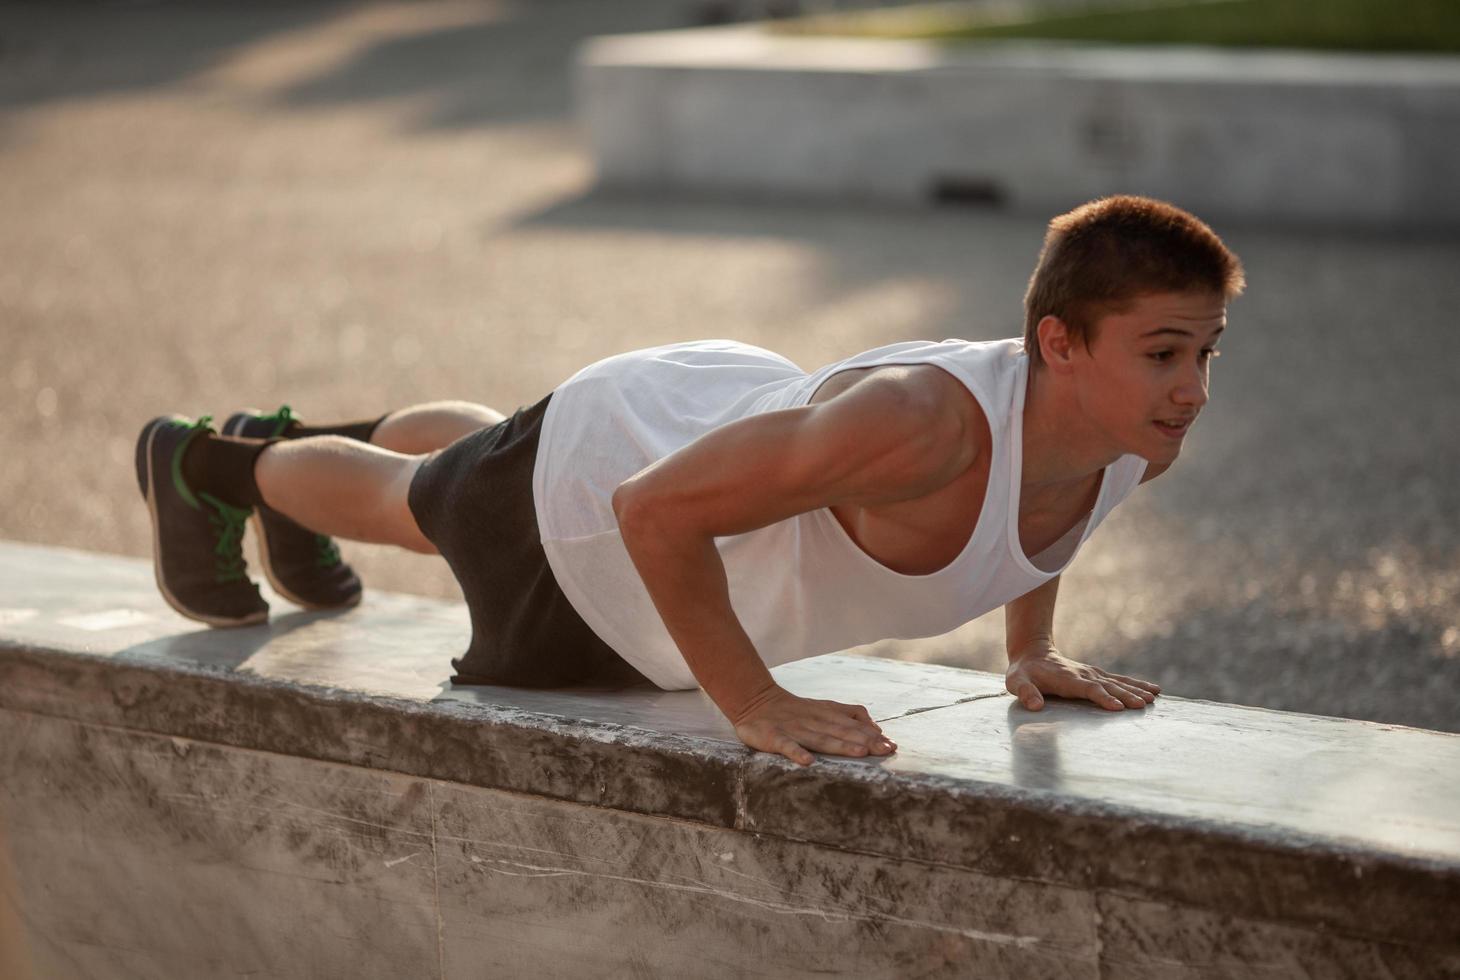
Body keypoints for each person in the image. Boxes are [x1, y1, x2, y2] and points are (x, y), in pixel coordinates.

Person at [135, 195, 1244, 766]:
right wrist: (750, 700)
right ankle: (207, 463)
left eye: (1205, 348)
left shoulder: (1128, 435)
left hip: (695, 425)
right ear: (1057, 342)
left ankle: (275, 446)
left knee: (464, 466)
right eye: (1161, 350)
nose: (1190, 384)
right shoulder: (920, 426)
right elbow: (651, 509)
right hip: (604, 489)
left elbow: (1032, 517)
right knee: (416, 507)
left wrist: (1028, 648)